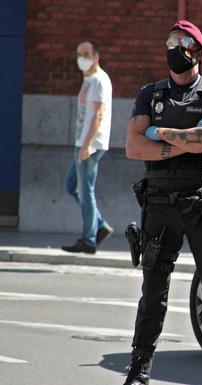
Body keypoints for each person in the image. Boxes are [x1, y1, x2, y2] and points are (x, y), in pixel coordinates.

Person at [123, 20, 202, 385]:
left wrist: (157, 134)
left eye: (184, 42)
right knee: (152, 293)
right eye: (171, 41)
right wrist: (179, 143)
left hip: (199, 202)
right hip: (158, 204)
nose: (175, 47)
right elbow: (132, 146)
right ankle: (139, 369)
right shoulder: (151, 94)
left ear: (198, 51)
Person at [62, 40, 114, 254]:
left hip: (89, 145)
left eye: (85, 54)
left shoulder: (99, 81)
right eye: (78, 54)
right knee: (71, 186)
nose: (80, 58)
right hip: (82, 143)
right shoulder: (90, 80)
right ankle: (99, 226)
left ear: (96, 57)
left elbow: (99, 115)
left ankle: (89, 239)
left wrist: (88, 145)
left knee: (86, 191)